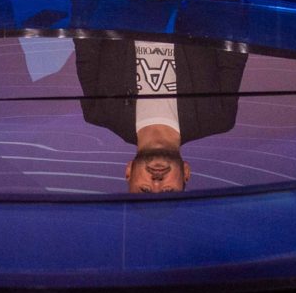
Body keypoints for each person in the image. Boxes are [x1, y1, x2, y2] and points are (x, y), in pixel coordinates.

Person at [74, 36, 247, 193]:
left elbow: (86, 36)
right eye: (167, 191)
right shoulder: (217, 116)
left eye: (145, 190)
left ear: (128, 172)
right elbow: (233, 41)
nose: (156, 183)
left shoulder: (99, 111)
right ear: (186, 173)